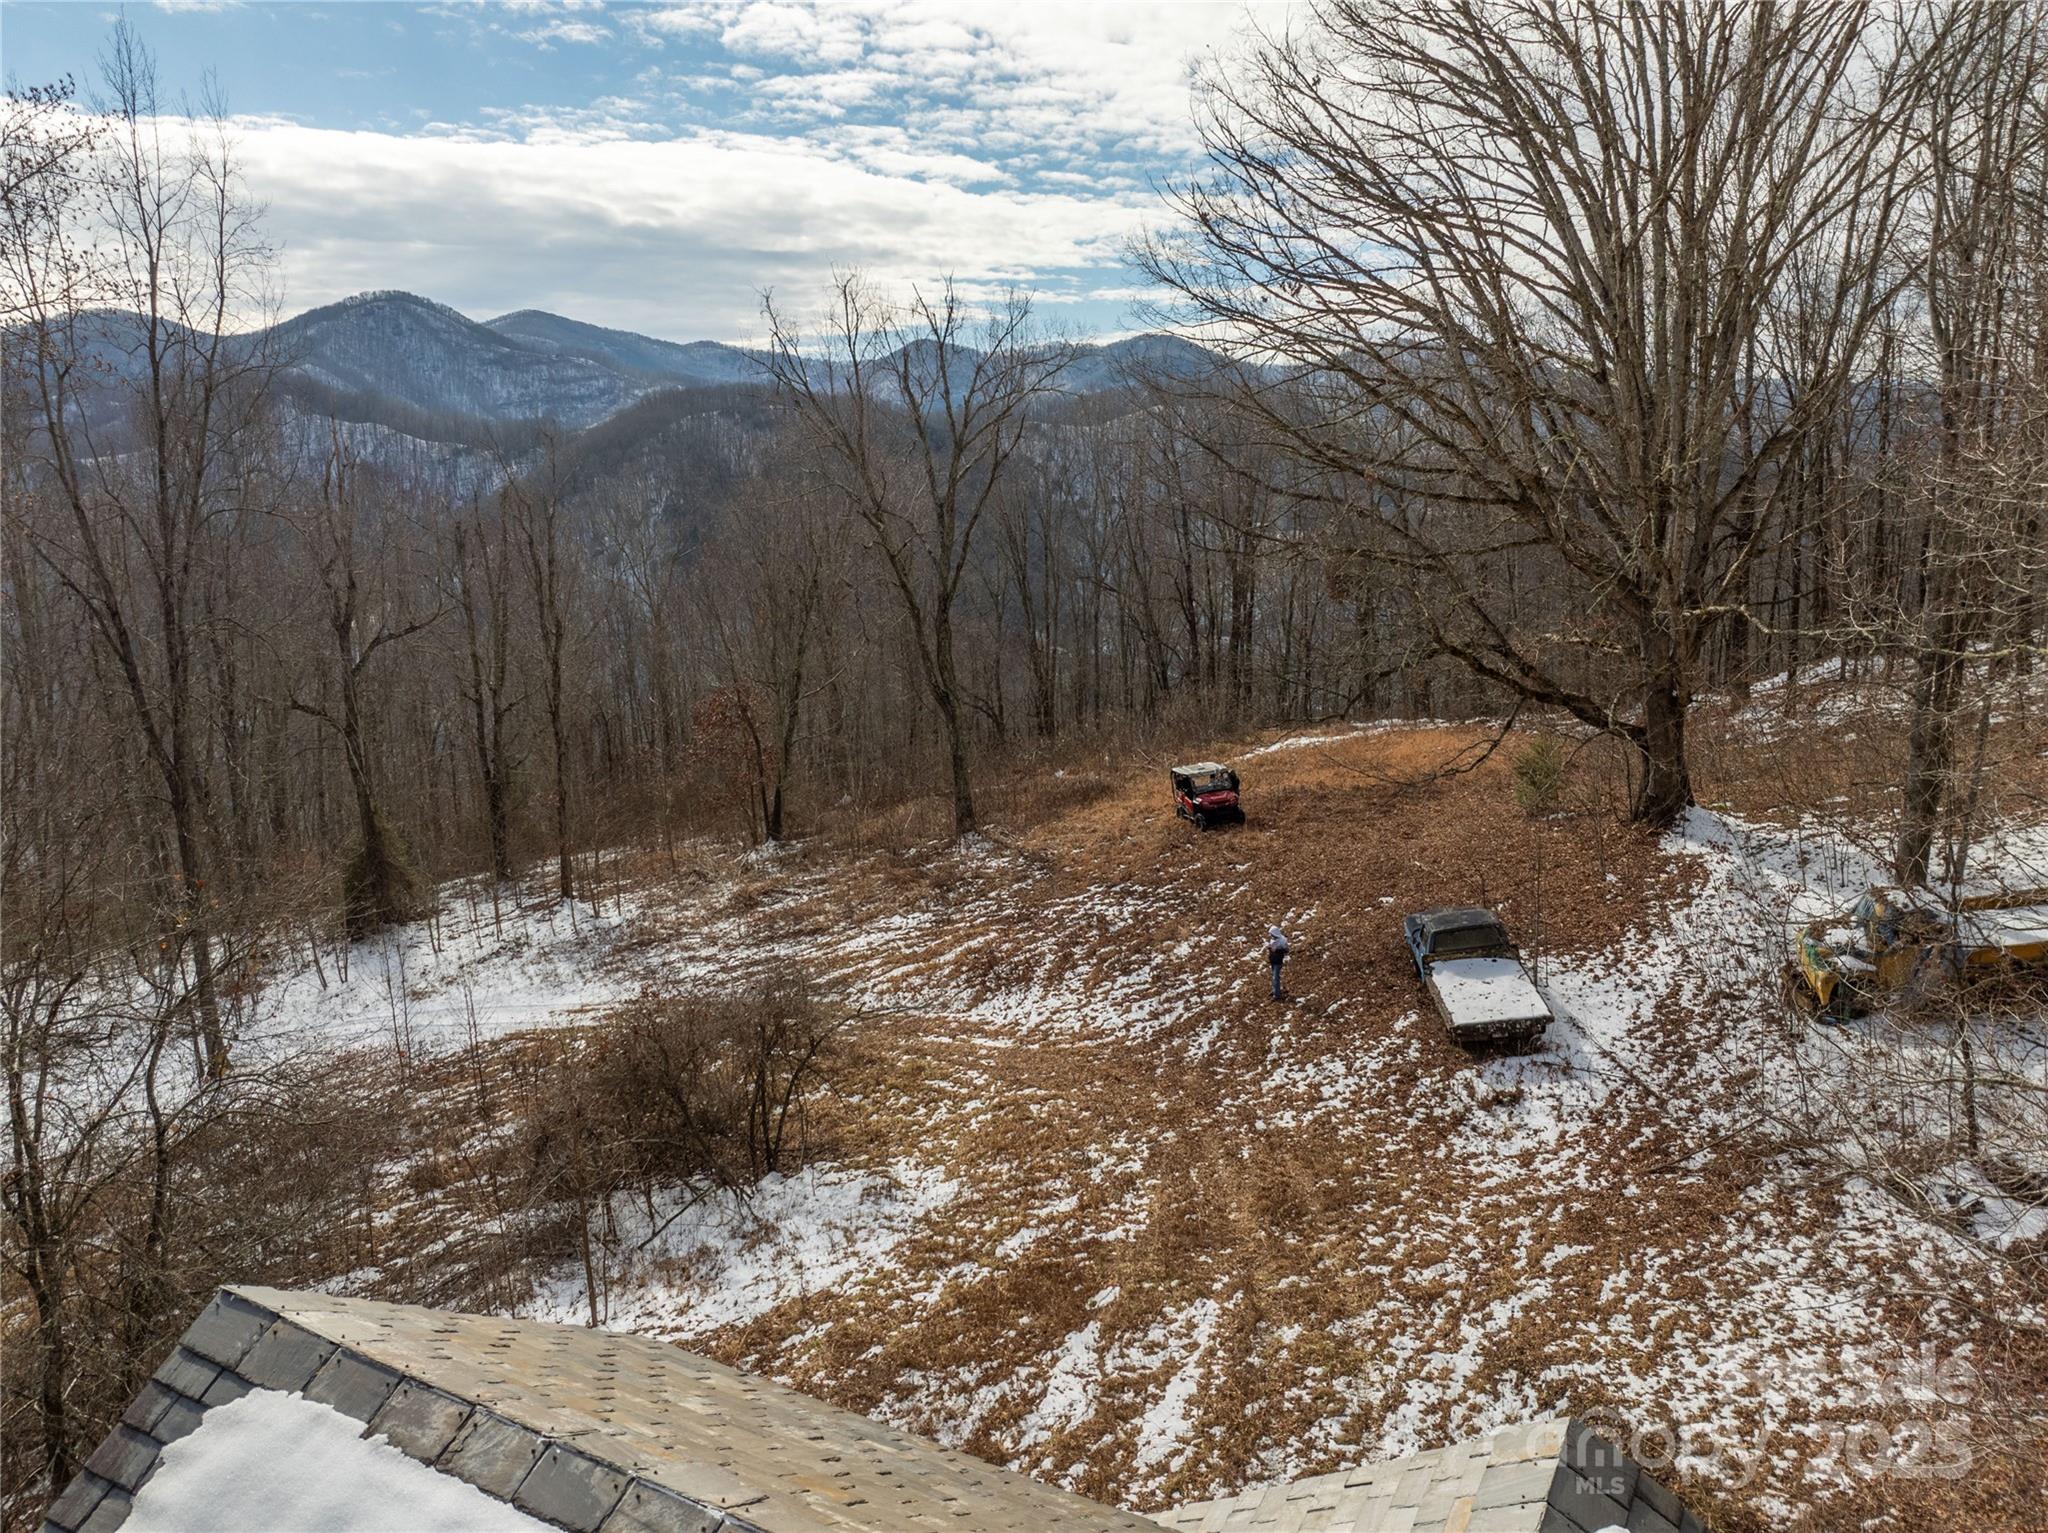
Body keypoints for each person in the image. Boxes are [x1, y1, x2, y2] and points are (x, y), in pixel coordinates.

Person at [1264, 925, 1290, 1000]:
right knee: (1274, 977)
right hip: (1273, 960)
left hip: (1278, 961)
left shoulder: (1282, 940)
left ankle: (1277, 994)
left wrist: (1277, 950)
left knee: (1276, 977)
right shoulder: (1273, 939)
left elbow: (1286, 950)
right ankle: (1274, 990)